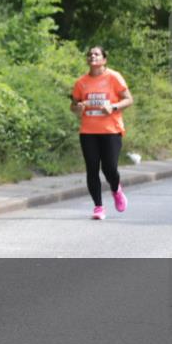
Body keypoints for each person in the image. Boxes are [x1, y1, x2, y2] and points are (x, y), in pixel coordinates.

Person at [70, 46, 134, 220]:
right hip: (88, 131)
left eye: (96, 54)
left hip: (111, 130)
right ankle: (98, 207)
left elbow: (129, 99)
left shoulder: (114, 77)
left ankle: (116, 189)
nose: (93, 56)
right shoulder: (81, 82)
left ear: (104, 59)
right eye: (90, 54)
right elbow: (73, 106)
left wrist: (112, 106)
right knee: (92, 168)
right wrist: (78, 107)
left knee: (110, 168)